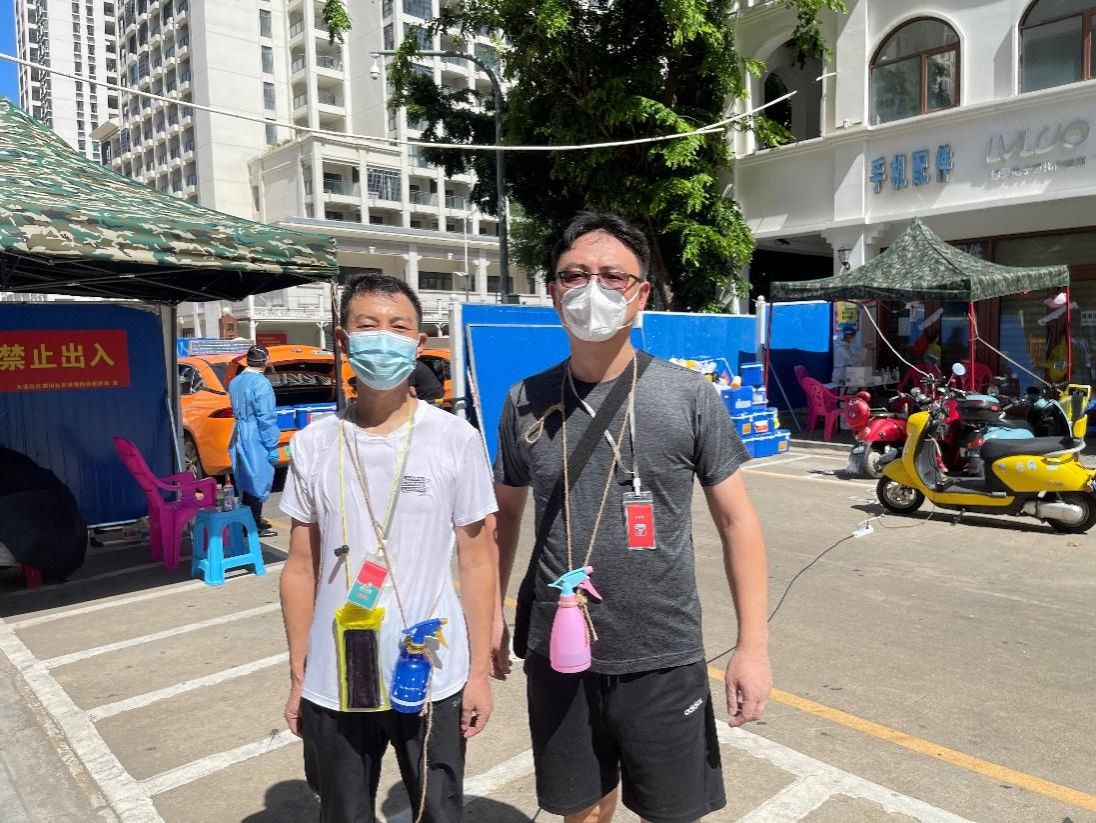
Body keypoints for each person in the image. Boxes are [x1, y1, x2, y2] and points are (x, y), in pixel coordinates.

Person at [492, 213, 772, 823]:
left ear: (641, 294)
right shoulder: (524, 401)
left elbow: (738, 523)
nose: (592, 288)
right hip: (559, 647)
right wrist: (489, 611)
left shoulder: (689, 396)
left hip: (663, 649)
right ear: (553, 292)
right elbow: (503, 516)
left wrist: (752, 647)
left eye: (613, 276)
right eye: (575, 275)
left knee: (673, 812)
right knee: (581, 810)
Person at [279, 273, 498, 823]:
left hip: (429, 671)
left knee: (437, 811)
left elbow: (478, 559)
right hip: (336, 676)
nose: (384, 337)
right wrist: (299, 675)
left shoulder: (454, 439)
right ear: (343, 339)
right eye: (368, 325)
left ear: (419, 342)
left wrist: (477, 673)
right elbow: (300, 568)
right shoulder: (313, 445)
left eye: (398, 327)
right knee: (343, 813)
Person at [228, 345, 280, 538]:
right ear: (266, 361)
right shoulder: (262, 384)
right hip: (255, 434)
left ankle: (248, 521)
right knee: (258, 479)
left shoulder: (235, 382)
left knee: (244, 479)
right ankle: (253, 525)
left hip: (239, 433)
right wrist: (272, 445)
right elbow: (266, 417)